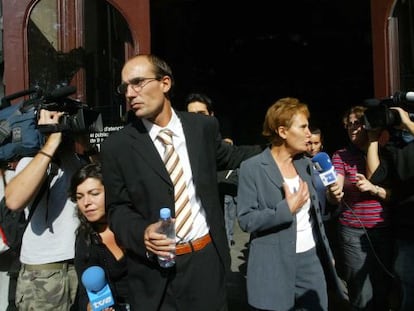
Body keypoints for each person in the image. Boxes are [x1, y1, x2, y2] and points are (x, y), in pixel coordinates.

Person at [100, 54, 261, 311]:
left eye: (138, 82)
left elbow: (232, 156)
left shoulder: (202, 128)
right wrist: (142, 233)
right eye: (125, 87)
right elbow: (117, 210)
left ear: (165, 83)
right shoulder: (117, 147)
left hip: (206, 262)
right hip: (154, 276)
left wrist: (280, 149)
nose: (130, 93)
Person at [236, 97, 345, 311]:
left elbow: (319, 214)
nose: (309, 133)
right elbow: (246, 220)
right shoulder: (253, 168)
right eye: (303, 127)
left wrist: (332, 200)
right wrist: (286, 209)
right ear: (283, 131)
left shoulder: (307, 165)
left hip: (311, 260)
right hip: (272, 265)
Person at [4, 109, 94, 310]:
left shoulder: (79, 162)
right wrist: (52, 139)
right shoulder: (32, 162)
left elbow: (109, 183)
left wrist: (86, 144)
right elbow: (14, 201)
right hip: (44, 273)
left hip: (80, 266)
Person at [329, 105, 394, 311]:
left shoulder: (387, 152)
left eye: (358, 123)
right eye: (348, 125)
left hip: (383, 230)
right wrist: (333, 193)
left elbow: (397, 194)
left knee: (384, 288)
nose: (353, 128)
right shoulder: (340, 155)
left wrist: (373, 188)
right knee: (361, 291)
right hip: (352, 232)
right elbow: (335, 186)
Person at [365, 106, 414, 311]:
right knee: (408, 291)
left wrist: (409, 124)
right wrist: (373, 139)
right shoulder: (396, 146)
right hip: (407, 231)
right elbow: (374, 176)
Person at [70, 163, 129, 311]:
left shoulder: (133, 223)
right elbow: (85, 294)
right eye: (79, 197)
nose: (86, 203)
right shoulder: (85, 241)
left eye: (94, 194)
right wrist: (91, 307)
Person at [185, 92, 238, 246]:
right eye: (192, 115)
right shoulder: (178, 146)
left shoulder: (220, 147)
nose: (197, 120)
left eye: (201, 114)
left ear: (211, 115)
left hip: (218, 215)